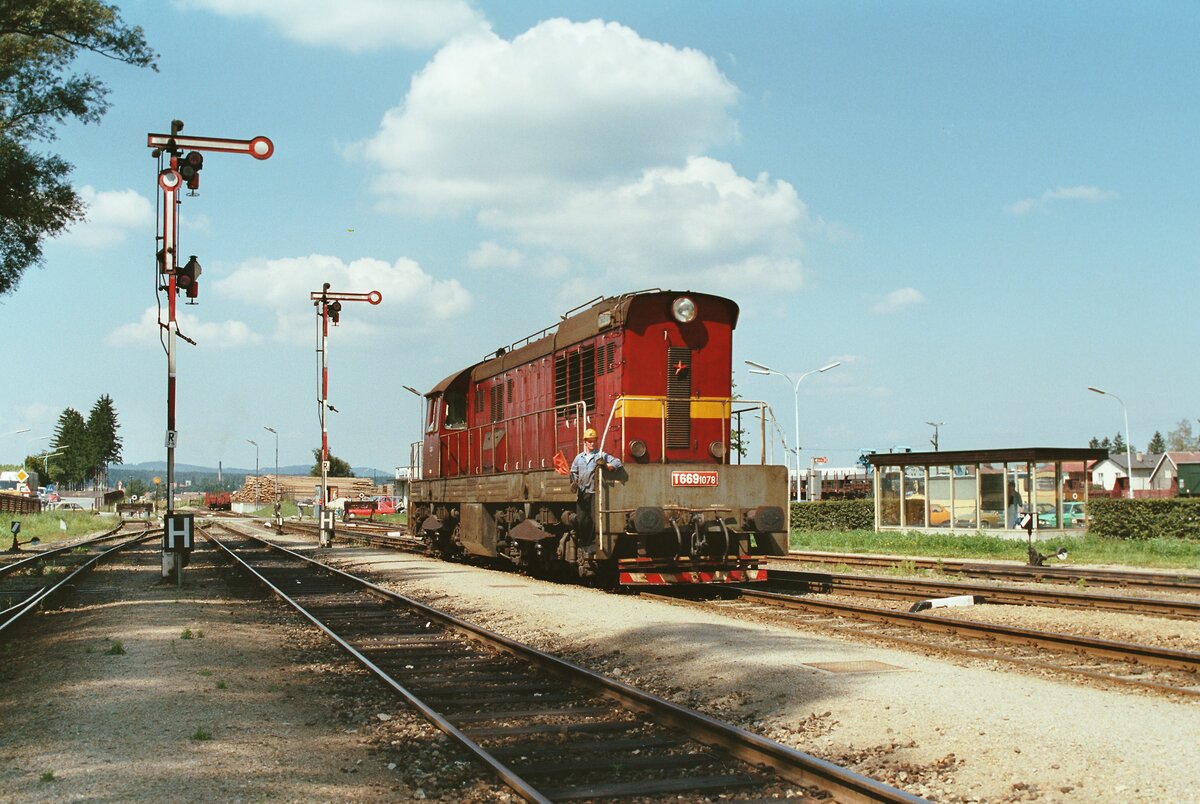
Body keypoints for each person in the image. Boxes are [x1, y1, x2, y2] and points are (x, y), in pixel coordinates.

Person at [569, 427, 623, 556]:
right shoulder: (578, 458)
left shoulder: (601, 455)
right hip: (582, 493)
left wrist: (608, 466)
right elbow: (573, 471)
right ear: (585, 442)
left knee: (594, 520)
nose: (592, 443)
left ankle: (592, 545)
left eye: (594, 441)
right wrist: (574, 482)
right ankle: (585, 544)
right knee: (582, 520)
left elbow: (618, 462)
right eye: (590, 441)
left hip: (595, 493)